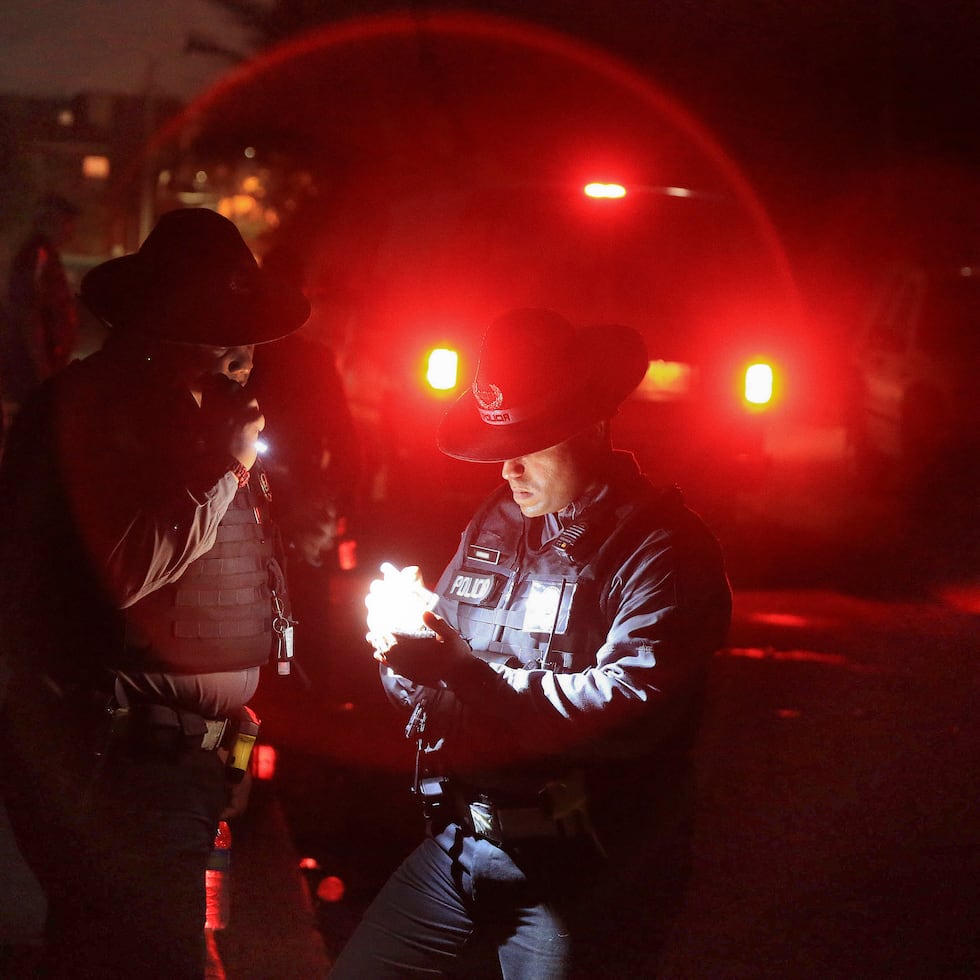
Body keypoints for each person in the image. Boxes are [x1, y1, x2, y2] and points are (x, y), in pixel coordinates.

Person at [331, 307, 733, 978]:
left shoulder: (663, 548)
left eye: (531, 441)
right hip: (462, 844)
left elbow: (632, 705)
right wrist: (398, 650)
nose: (508, 468)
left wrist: (462, 671)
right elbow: (434, 688)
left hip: (583, 863)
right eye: (498, 447)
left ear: (595, 426)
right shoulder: (499, 523)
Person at [0, 207, 310, 978]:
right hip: (119, 766)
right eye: (227, 332)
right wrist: (226, 469)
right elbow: (124, 570)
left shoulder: (191, 413)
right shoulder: (103, 411)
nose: (247, 353)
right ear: (170, 330)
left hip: (176, 763)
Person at [1, 193, 80, 442]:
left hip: (40, 365)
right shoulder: (37, 255)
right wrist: (42, 366)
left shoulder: (46, 254)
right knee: (32, 429)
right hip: (32, 367)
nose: (70, 230)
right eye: (67, 222)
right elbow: (29, 313)